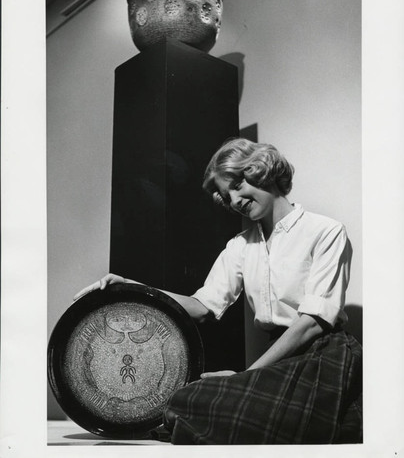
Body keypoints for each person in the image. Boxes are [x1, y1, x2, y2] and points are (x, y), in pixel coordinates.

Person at [74, 137, 362, 444]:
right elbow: (202, 306)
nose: (235, 199)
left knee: (207, 411)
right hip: (279, 356)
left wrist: (246, 377)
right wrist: (133, 289)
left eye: (238, 184)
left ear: (261, 170)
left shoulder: (325, 231)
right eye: (227, 195)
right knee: (187, 397)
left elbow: (310, 324)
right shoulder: (240, 246)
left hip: (323, 355)